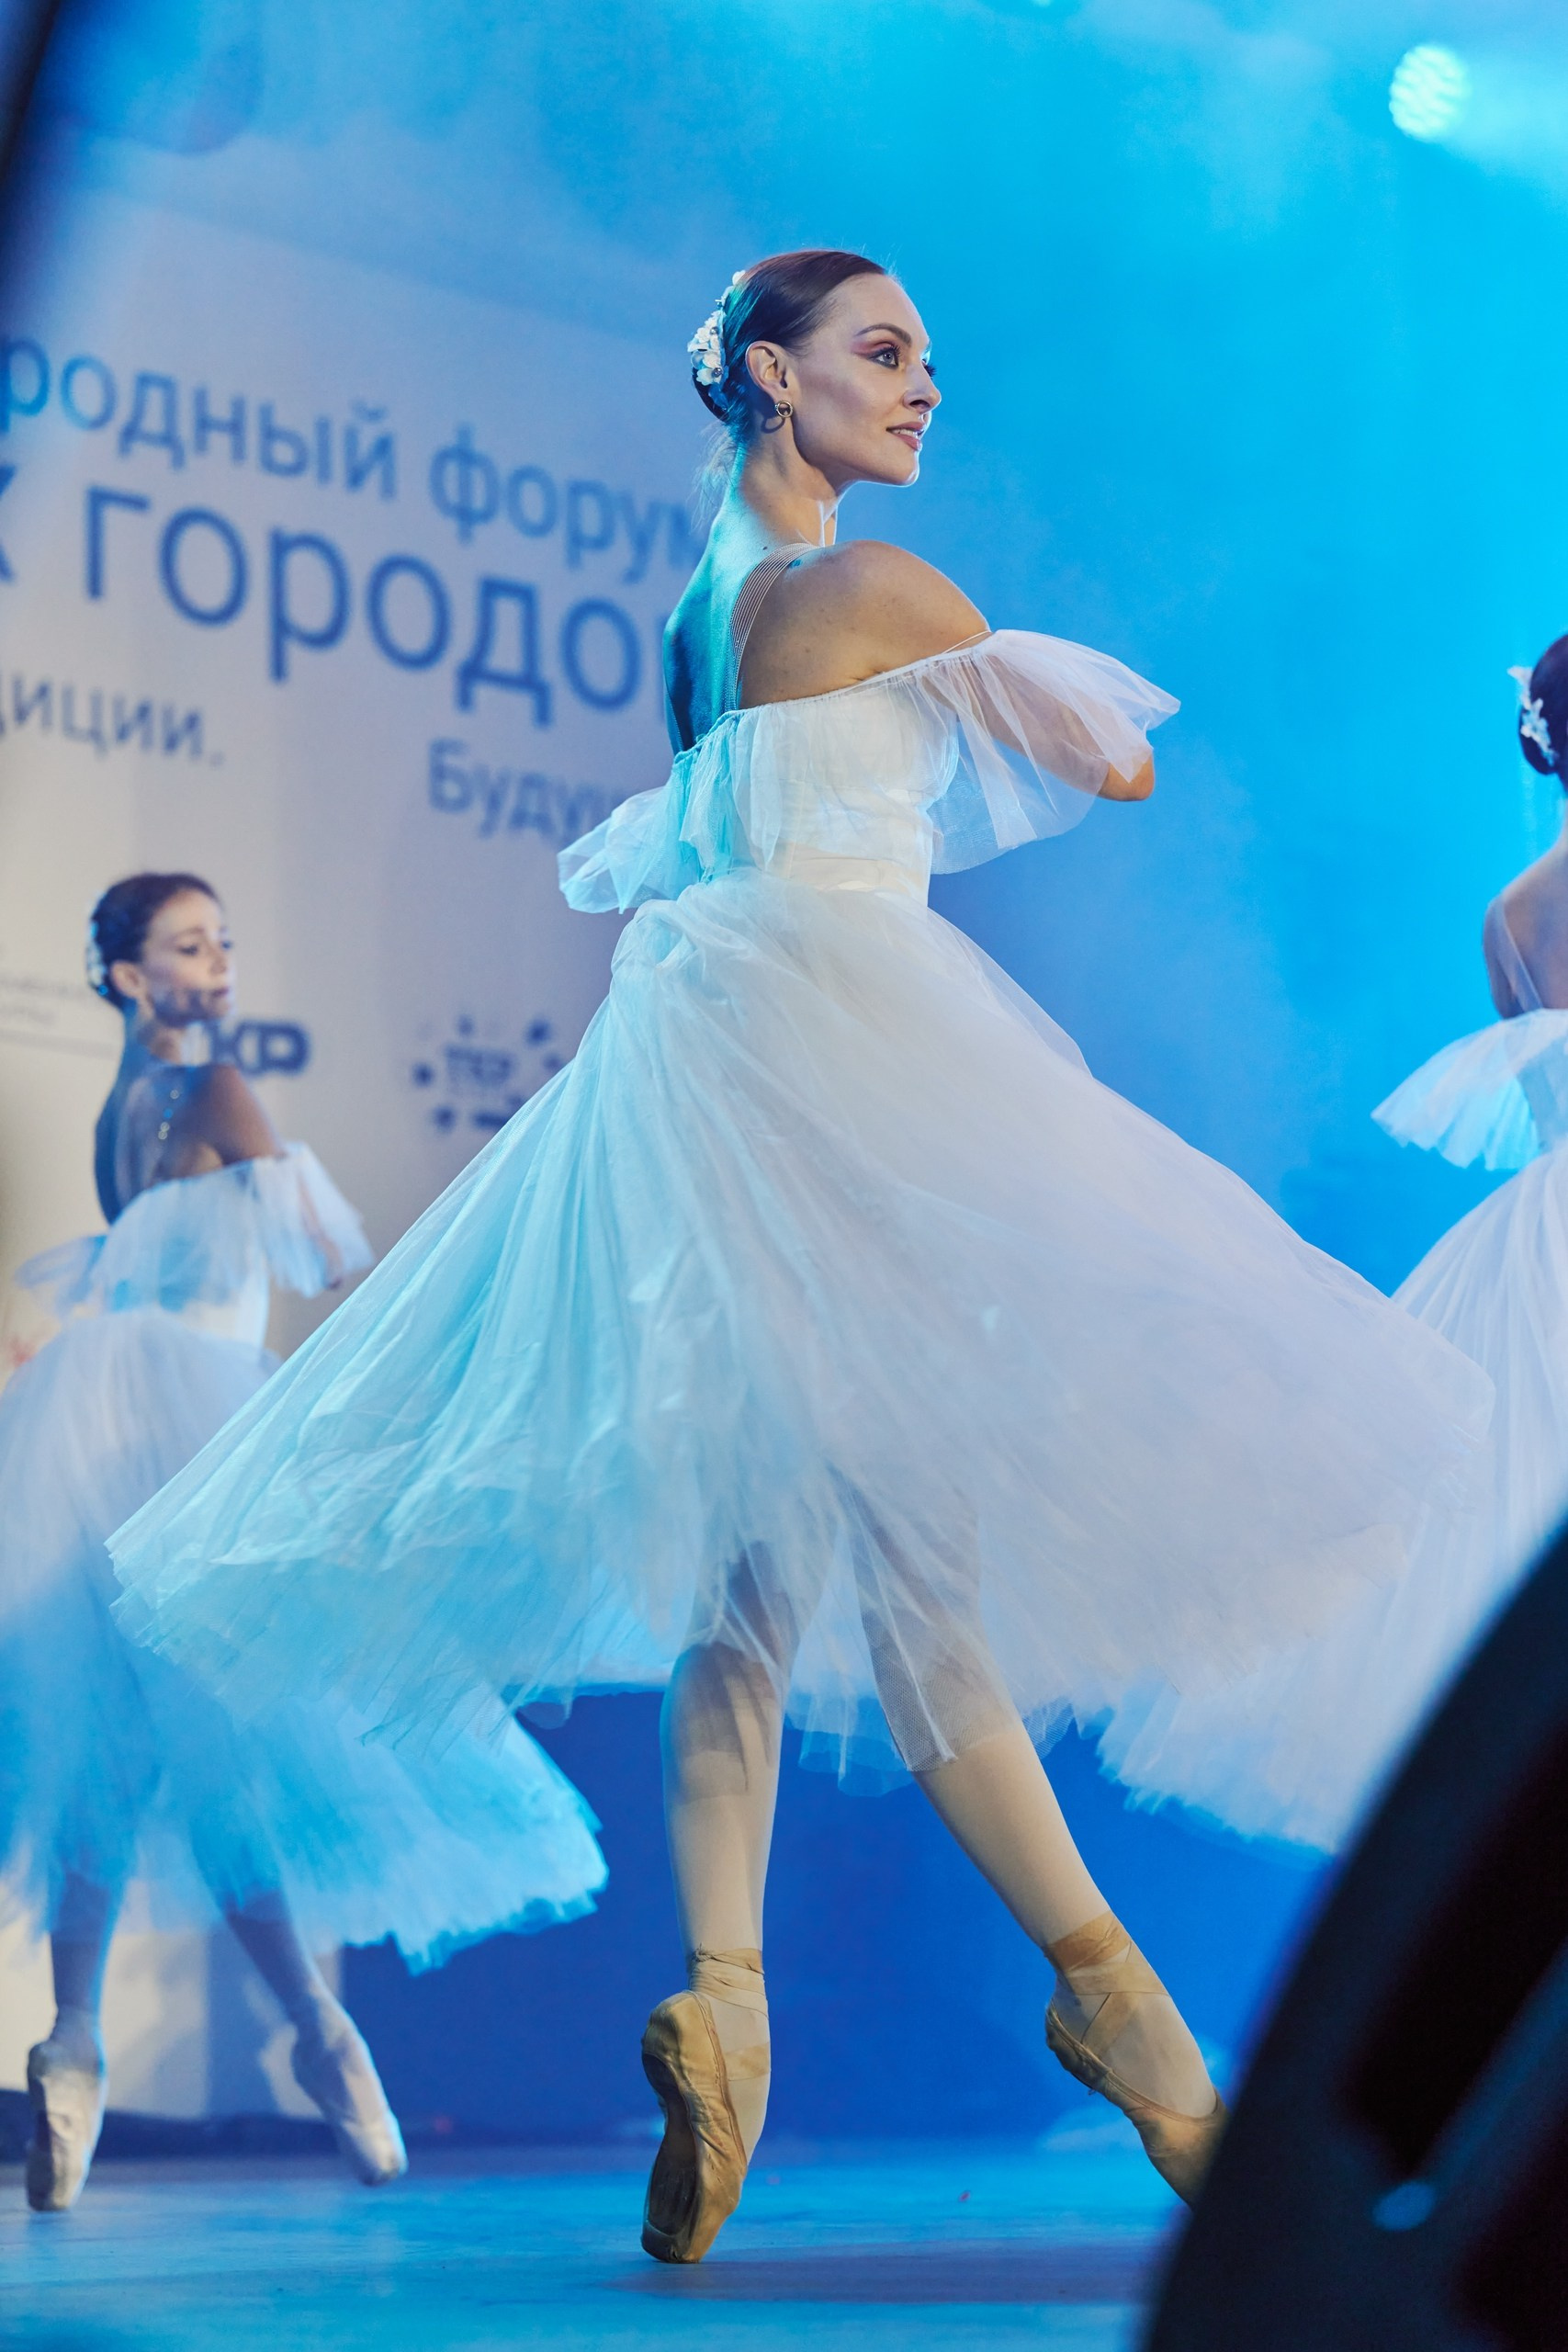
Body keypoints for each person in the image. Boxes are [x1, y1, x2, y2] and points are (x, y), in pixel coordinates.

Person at [108, 254, 1489, 2260]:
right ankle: (1122, 2017)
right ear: (773, 375)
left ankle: (732, 2002)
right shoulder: (870, 589)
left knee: (743, 1591)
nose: (922, 387)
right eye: (880, 353)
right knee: (921, 1592)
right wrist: (972, 665)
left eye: (926, 356)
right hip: (848, 1065)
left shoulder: (700, 611)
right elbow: (1117, 761)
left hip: (706, 1074)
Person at [1, 873, 606, 2213]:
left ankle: (78, 2043)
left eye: (223, 940)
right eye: (187, 945)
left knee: (113, 1747)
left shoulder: (120, 1110)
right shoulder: (217, 1091)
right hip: (190, 1433)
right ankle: (323, 2040)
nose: (218, 962)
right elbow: (326, 1259)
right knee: (217, 1750)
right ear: (126, 976)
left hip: (97, 1442)